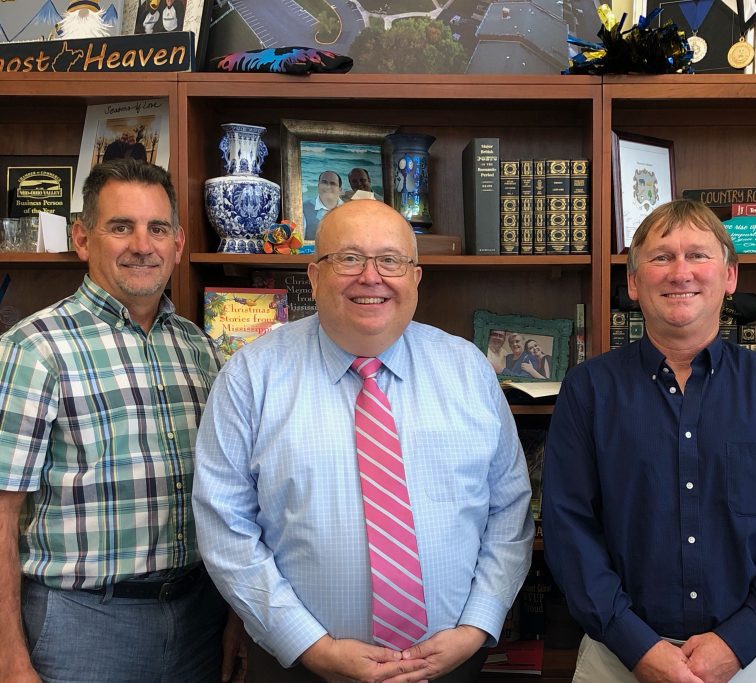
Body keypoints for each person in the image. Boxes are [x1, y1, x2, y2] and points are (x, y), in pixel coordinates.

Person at [192, 199, 534, 682]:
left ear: (415, 277)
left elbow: (510, 509)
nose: (371, 277)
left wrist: (478, 624)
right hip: (302, 667)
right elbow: (225, 527)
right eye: (349, 258)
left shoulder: (469, 370)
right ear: (314, 277)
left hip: (452, 663)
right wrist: (308, 644)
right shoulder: (250, 376)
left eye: (390, 260)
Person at [543, 199, 756, 683]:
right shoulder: (588, 390)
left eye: (698, 255)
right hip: (617, 658)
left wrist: (738, 641)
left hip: (749, 660)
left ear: (730, 276)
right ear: (634, 282)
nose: (681, 273)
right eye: (661, 257)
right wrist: (637, 646)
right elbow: (569, 530)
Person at [0, 159, 246, 682]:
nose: (142, 244)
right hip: (81, 625)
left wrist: (234, 617)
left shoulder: (199, 348)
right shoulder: (33, 349)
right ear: (82, 239)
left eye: (157, 228)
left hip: (198, 616)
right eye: (120, 227)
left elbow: (230, 495)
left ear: (178, 243)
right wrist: (9, 659)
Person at [301, 169, 343, 241]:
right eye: (324, 182)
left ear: (340, 190)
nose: (328, 186)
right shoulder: (303, 208)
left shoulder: (348, 209)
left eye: (333, 183)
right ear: (318, 186)